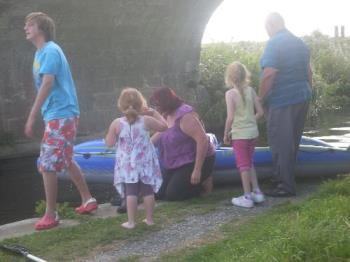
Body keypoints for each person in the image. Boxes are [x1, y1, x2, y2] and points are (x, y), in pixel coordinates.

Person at [24, 12, 98, 230]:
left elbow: (47, 84)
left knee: (47, 164)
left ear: (42, 28)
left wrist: (31, 115)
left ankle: (51, 214)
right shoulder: (40, 54)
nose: (25, 28)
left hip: (61, 113)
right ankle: (88, 199)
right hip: (56, 114)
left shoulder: (50, 51)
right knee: (65, 159)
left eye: (30, 25)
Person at [259, 13, 313, 197]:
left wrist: (260, 99)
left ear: (271, 25)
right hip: (302, 96)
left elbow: (269, 73)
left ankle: (285, 186)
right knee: (292, 142)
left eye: (266, 28)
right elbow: (309, 72)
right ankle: (282, 178)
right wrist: (308, 93)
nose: (266, 32)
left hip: (282, 100)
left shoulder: (274, 43)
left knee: (280, 143)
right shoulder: (300, 43)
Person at [105, 88, 167, 229]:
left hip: (128, 164)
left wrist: (110, 133)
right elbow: (165, 126)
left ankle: (131, 222)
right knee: (147, 191)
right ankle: (150, 220)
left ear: (121, 105)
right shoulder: (147, 120)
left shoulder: (117, 123)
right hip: (144, 162)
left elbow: (109, 143)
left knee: (130, 192)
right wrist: (154, 112)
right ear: (141, 104)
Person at [150, 87, 216, 201]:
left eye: (157, 105)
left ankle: (203, 184)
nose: (156, 108)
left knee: (173, 195)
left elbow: (203, 140)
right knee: (158, 193)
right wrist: (141, 146)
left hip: (196, 160)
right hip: (178, 161)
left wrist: (197, 170)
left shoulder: (185, 116)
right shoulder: (167, 114)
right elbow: (160, 134)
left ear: (166, 103)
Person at [223, 62, 265, 208]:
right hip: (253, 133)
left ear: (229, 77)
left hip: (240, 135)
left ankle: (247, 197)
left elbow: (230, 117)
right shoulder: (251, 90)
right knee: (249, 162)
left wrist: (225, 134)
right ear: (245, 75)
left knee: (243, 165)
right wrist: (250, 120)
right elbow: (260, 112)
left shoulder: (230, 94)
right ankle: (257, 192)